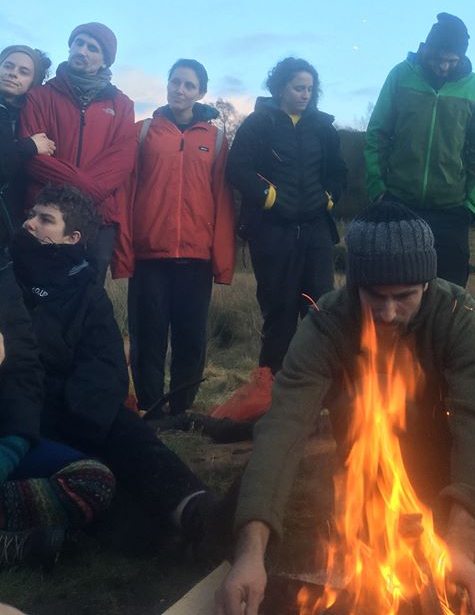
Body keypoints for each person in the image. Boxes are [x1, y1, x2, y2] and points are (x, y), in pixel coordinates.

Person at [215, 201, 475, 615]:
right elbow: (282, 428)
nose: (389, 313)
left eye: (404, 296)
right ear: (355, 287)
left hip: (447, 444)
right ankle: (377, 515)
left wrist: (459, 548)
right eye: (375, 297)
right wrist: (251, 553)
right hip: (375, 462)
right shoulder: (327, 323)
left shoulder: (459, 315)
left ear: (427, 283)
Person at [9, 184, 217, 552]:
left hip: (73, 411)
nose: (30, 224)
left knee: (124, 429)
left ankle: (196, 509)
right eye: (31, 215)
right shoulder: (7, 275)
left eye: (45, 220)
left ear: (72, 237)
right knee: (104, 485)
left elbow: (106, 365)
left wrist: (83, 420)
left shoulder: (87, 292)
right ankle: (157, 538)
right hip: (18, 411)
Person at [113, 59, 236, 416]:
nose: (180, 90)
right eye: (175, 82)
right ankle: (152, 409)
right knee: (147, 337)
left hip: (196, 257)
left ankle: (182, 410)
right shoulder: (143, 132)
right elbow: (126, 193)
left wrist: (222, 261)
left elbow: (223, 200)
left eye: (189, 85)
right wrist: (124, 253)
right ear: (167, 84)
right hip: (149, 255)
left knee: (190, 338)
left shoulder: (215, 139)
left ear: (200, 92)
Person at [226, 57, 347, 377]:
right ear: (280, 88)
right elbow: (236, 168)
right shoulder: (258, 124)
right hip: (271, 233)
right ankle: (270, 389)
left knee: (320, 311)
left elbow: (339, 172)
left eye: (309, 89)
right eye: (298, 88)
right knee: (278, 315)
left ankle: (320, 386)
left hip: (316, 231)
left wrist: (329, 198)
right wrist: (267, 195)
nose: (305, 94)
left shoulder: (323, 128)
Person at [364, 13, 475, 287]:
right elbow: (377, 133)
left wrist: (472, 204)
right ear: (426, 48)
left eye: (452, 61)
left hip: (452, 210)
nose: (443, 66)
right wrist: (378, 189)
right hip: (399, 203)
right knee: (394, 286)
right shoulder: (400, 75)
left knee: (449, 294)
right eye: (438, 59)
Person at [0, 260, 115, 569]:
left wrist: (10, 448)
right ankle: (11, 547)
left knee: (93, 481)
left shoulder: (2, 273)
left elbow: (24, 367)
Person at [18, 23, 136, 282]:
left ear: (105, 61)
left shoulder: (122, 105)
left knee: (88, 296)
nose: (82, 50)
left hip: (98, 220)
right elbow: (34, 158)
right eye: (78, 43)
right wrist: (85, 188)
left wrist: (82, 192)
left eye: (92, 48)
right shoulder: (40, 96)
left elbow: (122, 160)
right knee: (38, 293)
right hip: (45, 214)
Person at [0, 46, 54, 263]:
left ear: (34, 81)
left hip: (14, 220)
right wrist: (29, 146)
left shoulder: (29, 116)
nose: (12, 73)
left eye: (23, 72)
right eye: (8, 66)